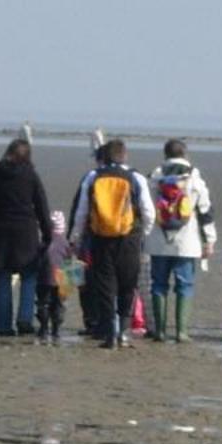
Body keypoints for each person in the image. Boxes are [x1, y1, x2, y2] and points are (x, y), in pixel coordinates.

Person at [69, 137, 154, 349]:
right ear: (124, 155)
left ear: (104, 157)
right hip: (129, 239)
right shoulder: (136, 178)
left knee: (105, 287)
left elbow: (81, 212)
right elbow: (148, 212)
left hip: (100, 239)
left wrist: (75, 238)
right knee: (128, 285)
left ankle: (109, 333)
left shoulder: (92, 177)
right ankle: (124, 331)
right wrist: (143, 233)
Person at [0, 137, 54, 337]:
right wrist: (48, 234)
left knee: (2, 278)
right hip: (26, 232)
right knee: (29, 277)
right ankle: (24, 320)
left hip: (0, 232)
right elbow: (42, 207)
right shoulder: (30, 176)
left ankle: (4, 325)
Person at [145, 140, 216, 343]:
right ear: (185, 154)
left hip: (158, 240)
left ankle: (159, 330)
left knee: (158, 284)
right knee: (185, 284)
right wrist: (209, 239)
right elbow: (205, 211)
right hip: (187, 241)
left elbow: (146, 207)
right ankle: (181, 332)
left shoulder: (155, 177)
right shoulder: (194, 177)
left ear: (165, 154)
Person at [39, 209, 73, 342]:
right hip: (62, 279)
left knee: (43, 303)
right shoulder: (65, 243)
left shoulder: (44, 242)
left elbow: (38, 258)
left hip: (44, 278)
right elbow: (70, 263)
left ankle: (43, 328)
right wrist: (70, 284)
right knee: (58, 305)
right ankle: (56, 329)